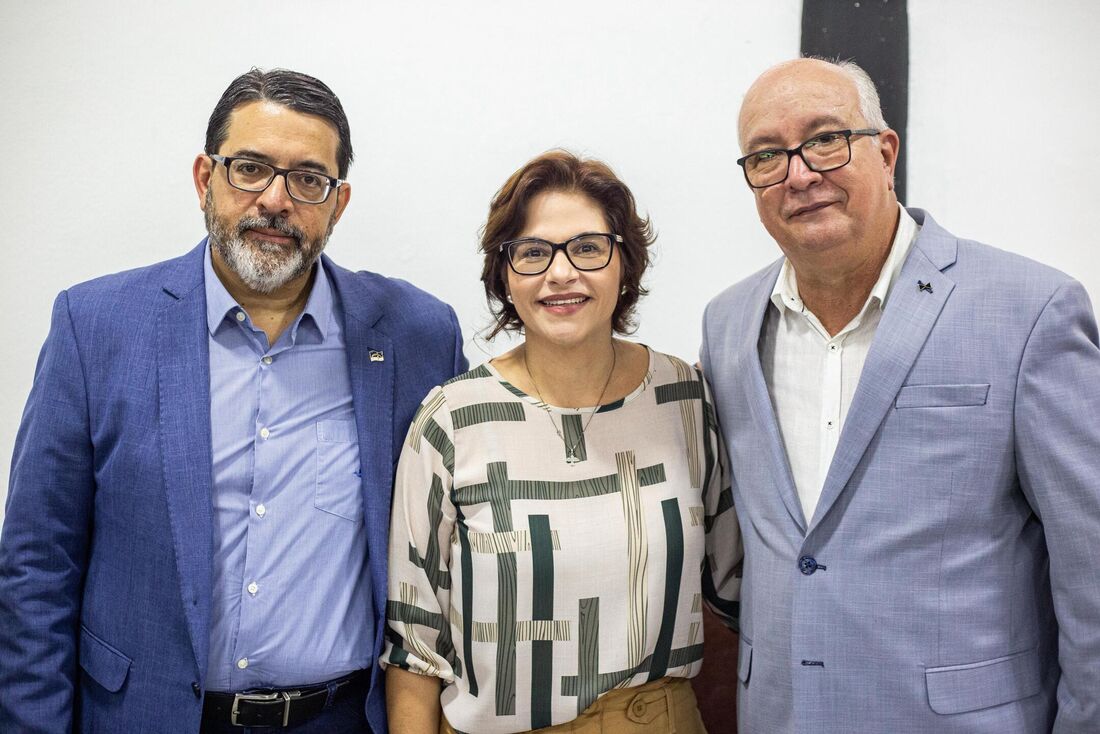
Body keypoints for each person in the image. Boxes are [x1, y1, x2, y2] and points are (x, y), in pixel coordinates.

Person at [0, 68, 466, 733]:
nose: (276, 200)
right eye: (250, 168)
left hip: (342, 720)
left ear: (339, 204)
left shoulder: (417, 336)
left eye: (309, 180)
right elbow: (37, 569)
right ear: (204, 179)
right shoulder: (97, 328)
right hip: (147, 717)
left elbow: (461, 547)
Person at [701, 57, 1100, 733]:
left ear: (885, 152)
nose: (798, 174)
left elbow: (1090, 563)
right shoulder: (728, 324)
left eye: (825, 139)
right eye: (766, 156)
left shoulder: (1031, 311)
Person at [381, 150, 741, 733]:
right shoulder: (452, 419)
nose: (561, 273)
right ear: (504, 275)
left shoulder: (682, 397)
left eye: (588, 248)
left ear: (625, 262)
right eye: (532, 253)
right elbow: (413, 644)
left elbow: (739, 584)